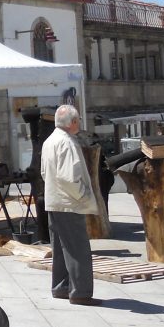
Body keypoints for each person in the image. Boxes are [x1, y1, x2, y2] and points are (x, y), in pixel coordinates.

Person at [40, 104, 102, 306]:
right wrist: (84, 196)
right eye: (79, 120)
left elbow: (44, 173)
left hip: (54, 201)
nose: (80, 123)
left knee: (60, 248)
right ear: (73, 122)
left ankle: (61, 287)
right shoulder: (67, 142)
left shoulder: (49, 141)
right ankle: (80, 292)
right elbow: (69, 178)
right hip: (69, 203)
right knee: (77, 248)